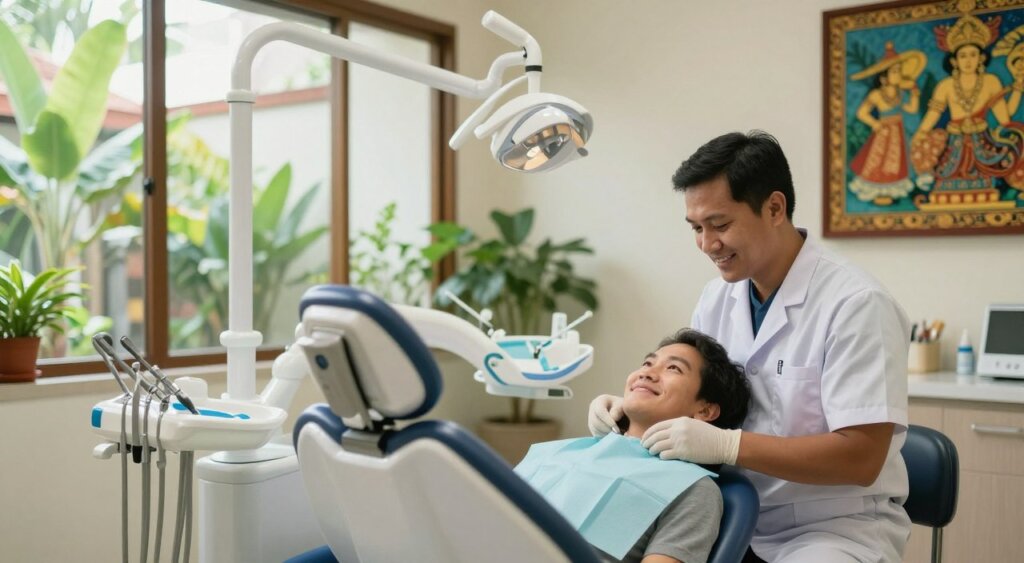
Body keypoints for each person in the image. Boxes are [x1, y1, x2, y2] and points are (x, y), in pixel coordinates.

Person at [588, 131, 912, 563]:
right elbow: (699, 403)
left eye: (720, 225)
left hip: (830, 530)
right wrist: (628, 413)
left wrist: (729, 447)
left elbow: (861, 457)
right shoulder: (716, 298)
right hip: (727, 511)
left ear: (775, 208)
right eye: (697, 229)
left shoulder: (857, 304)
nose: (707, 244)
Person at [517, 328, 750, 563]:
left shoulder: (694, 490)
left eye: (673, 368)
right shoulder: (567, 452)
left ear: (705, 410)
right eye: (647, 363)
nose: (647, 373)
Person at [848, 41, 924, 206]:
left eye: (899, 71)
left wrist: (915, 94)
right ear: (883, 78)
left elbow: (911, 109)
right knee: (878, 162)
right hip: (883, 132)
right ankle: (879, 193)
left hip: (898, 131)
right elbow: (862, 113)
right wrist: (874, 124)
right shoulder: (876, 94)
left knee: (896, 163)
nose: (899, 74)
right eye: (895, 71)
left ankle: (891, 193)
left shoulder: (901, 93)